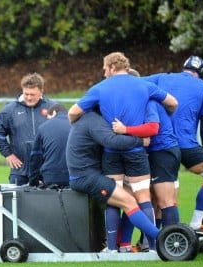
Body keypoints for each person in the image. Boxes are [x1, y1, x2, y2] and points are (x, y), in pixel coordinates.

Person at [67, 52, 178, 252]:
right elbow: (172, 102)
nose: (103, 72)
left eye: (104, 68)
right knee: (143, 197)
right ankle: (153, 248)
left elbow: (73, 112)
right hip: (136, 150)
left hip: (111, 152)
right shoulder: (144, 85)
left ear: (111, 67)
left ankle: (114, 249)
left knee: (115, 198)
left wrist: (76, 128)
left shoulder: (100, 88)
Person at [143, 55, 203, 235]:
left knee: (163, 196)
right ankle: (195, 224)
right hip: (187, 146)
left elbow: (135, 84)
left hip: (162, 145)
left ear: (184, 67)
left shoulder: (162, 78)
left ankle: (152, 240)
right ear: (201, 73)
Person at [66, 107, 161, 253]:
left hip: (85, 176)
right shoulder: (93, 121)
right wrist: (140, 142)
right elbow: (111, 141)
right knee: (129, 202)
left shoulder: (88, 119)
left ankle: (118, 247)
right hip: (86, 178)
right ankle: (161, 238)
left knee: (128, 201)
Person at [112, 68, 181, 252]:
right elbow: (172, 106)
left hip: (163, 151)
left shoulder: (147, 100)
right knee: (145, 197)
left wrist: (125, 130)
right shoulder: (147, 98)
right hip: (161, 151)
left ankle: (173, 245)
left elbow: (152, 129)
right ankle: (140, 243)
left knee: (164, 201)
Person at [0, 73, 56, 185]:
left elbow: (64, 132)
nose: (29, 98)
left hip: (47, 170)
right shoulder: (10, 110)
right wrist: (8, 154)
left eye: (33, 94)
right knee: (16, 202)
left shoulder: (53, 108)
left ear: (41, 92)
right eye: (26, 94)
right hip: (20, 171)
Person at [29, 103, 70, 188]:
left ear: (54, 113)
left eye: (48, 118)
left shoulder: (43, 128)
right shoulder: (78, 125)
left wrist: (33, 181)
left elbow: (36, 157)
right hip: (75, 176)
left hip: (51, 177)